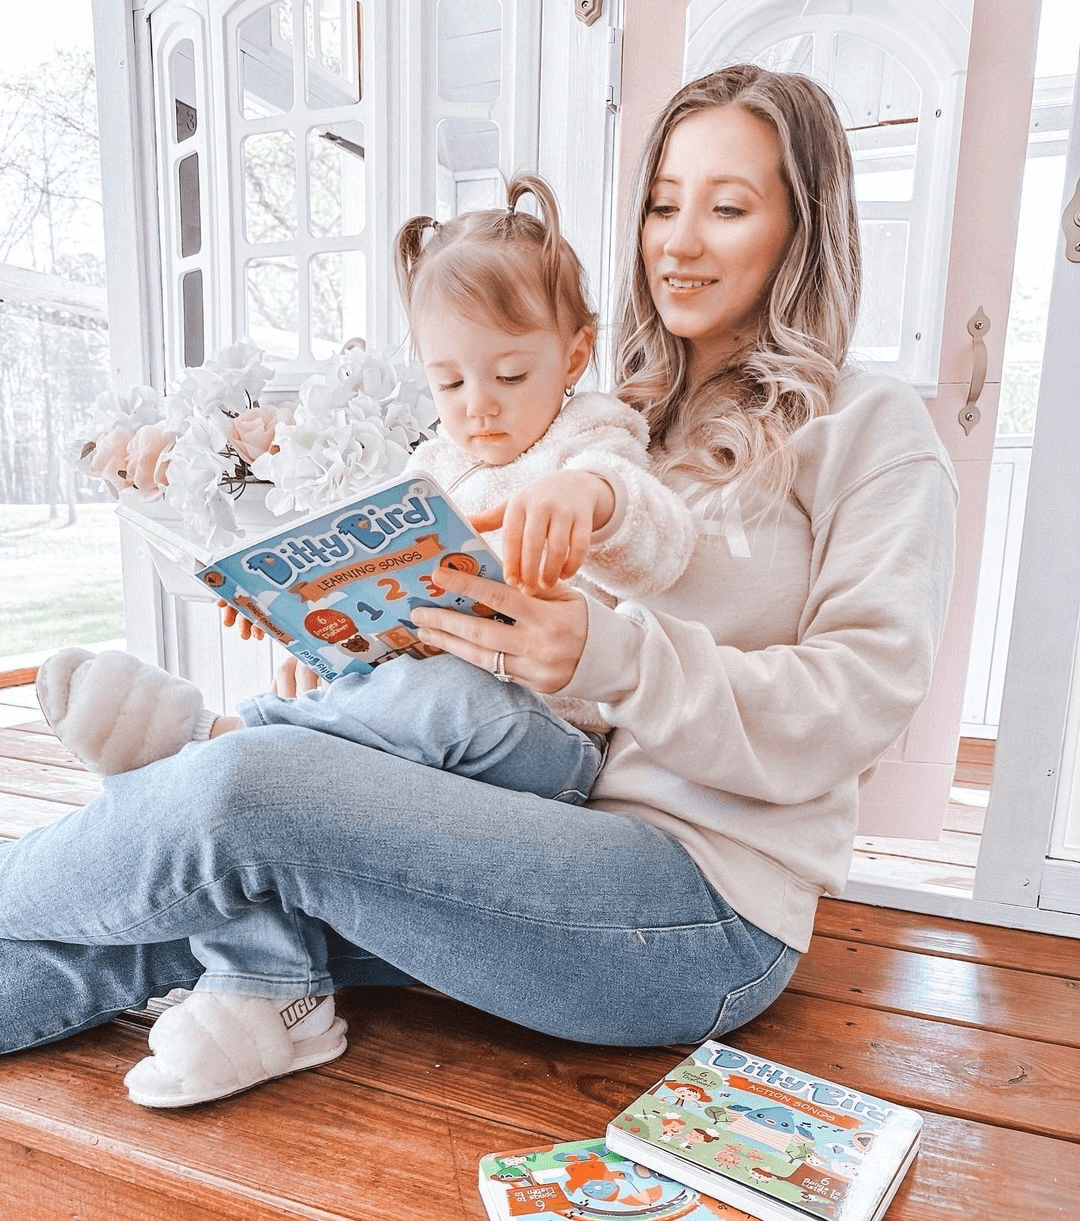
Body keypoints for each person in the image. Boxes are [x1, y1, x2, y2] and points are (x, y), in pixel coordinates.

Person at [0, 65, 956, 1116]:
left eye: (727, 207)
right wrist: (341, 622)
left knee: (240, 790)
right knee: (179, 917)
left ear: (802, 227)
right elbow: (483, 636)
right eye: (661, 203)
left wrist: (609, 655)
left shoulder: (870, 426)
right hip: (512, 818)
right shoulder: (593, 404)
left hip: (698, 907)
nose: (679, 240)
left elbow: (859, 702)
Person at [36, 172, 696, 816]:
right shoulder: (433, 463)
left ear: (575, 356)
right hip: (435, 731)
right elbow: (389, 607)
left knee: (449, 693)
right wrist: (288, 611)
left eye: (510, 374)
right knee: (377, 706)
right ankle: (267, 745)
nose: (479, 406)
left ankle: (221, 739)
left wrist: (593, 495)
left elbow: (664, 547)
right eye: (451, 383)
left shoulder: (592, 435)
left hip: (548, 738)